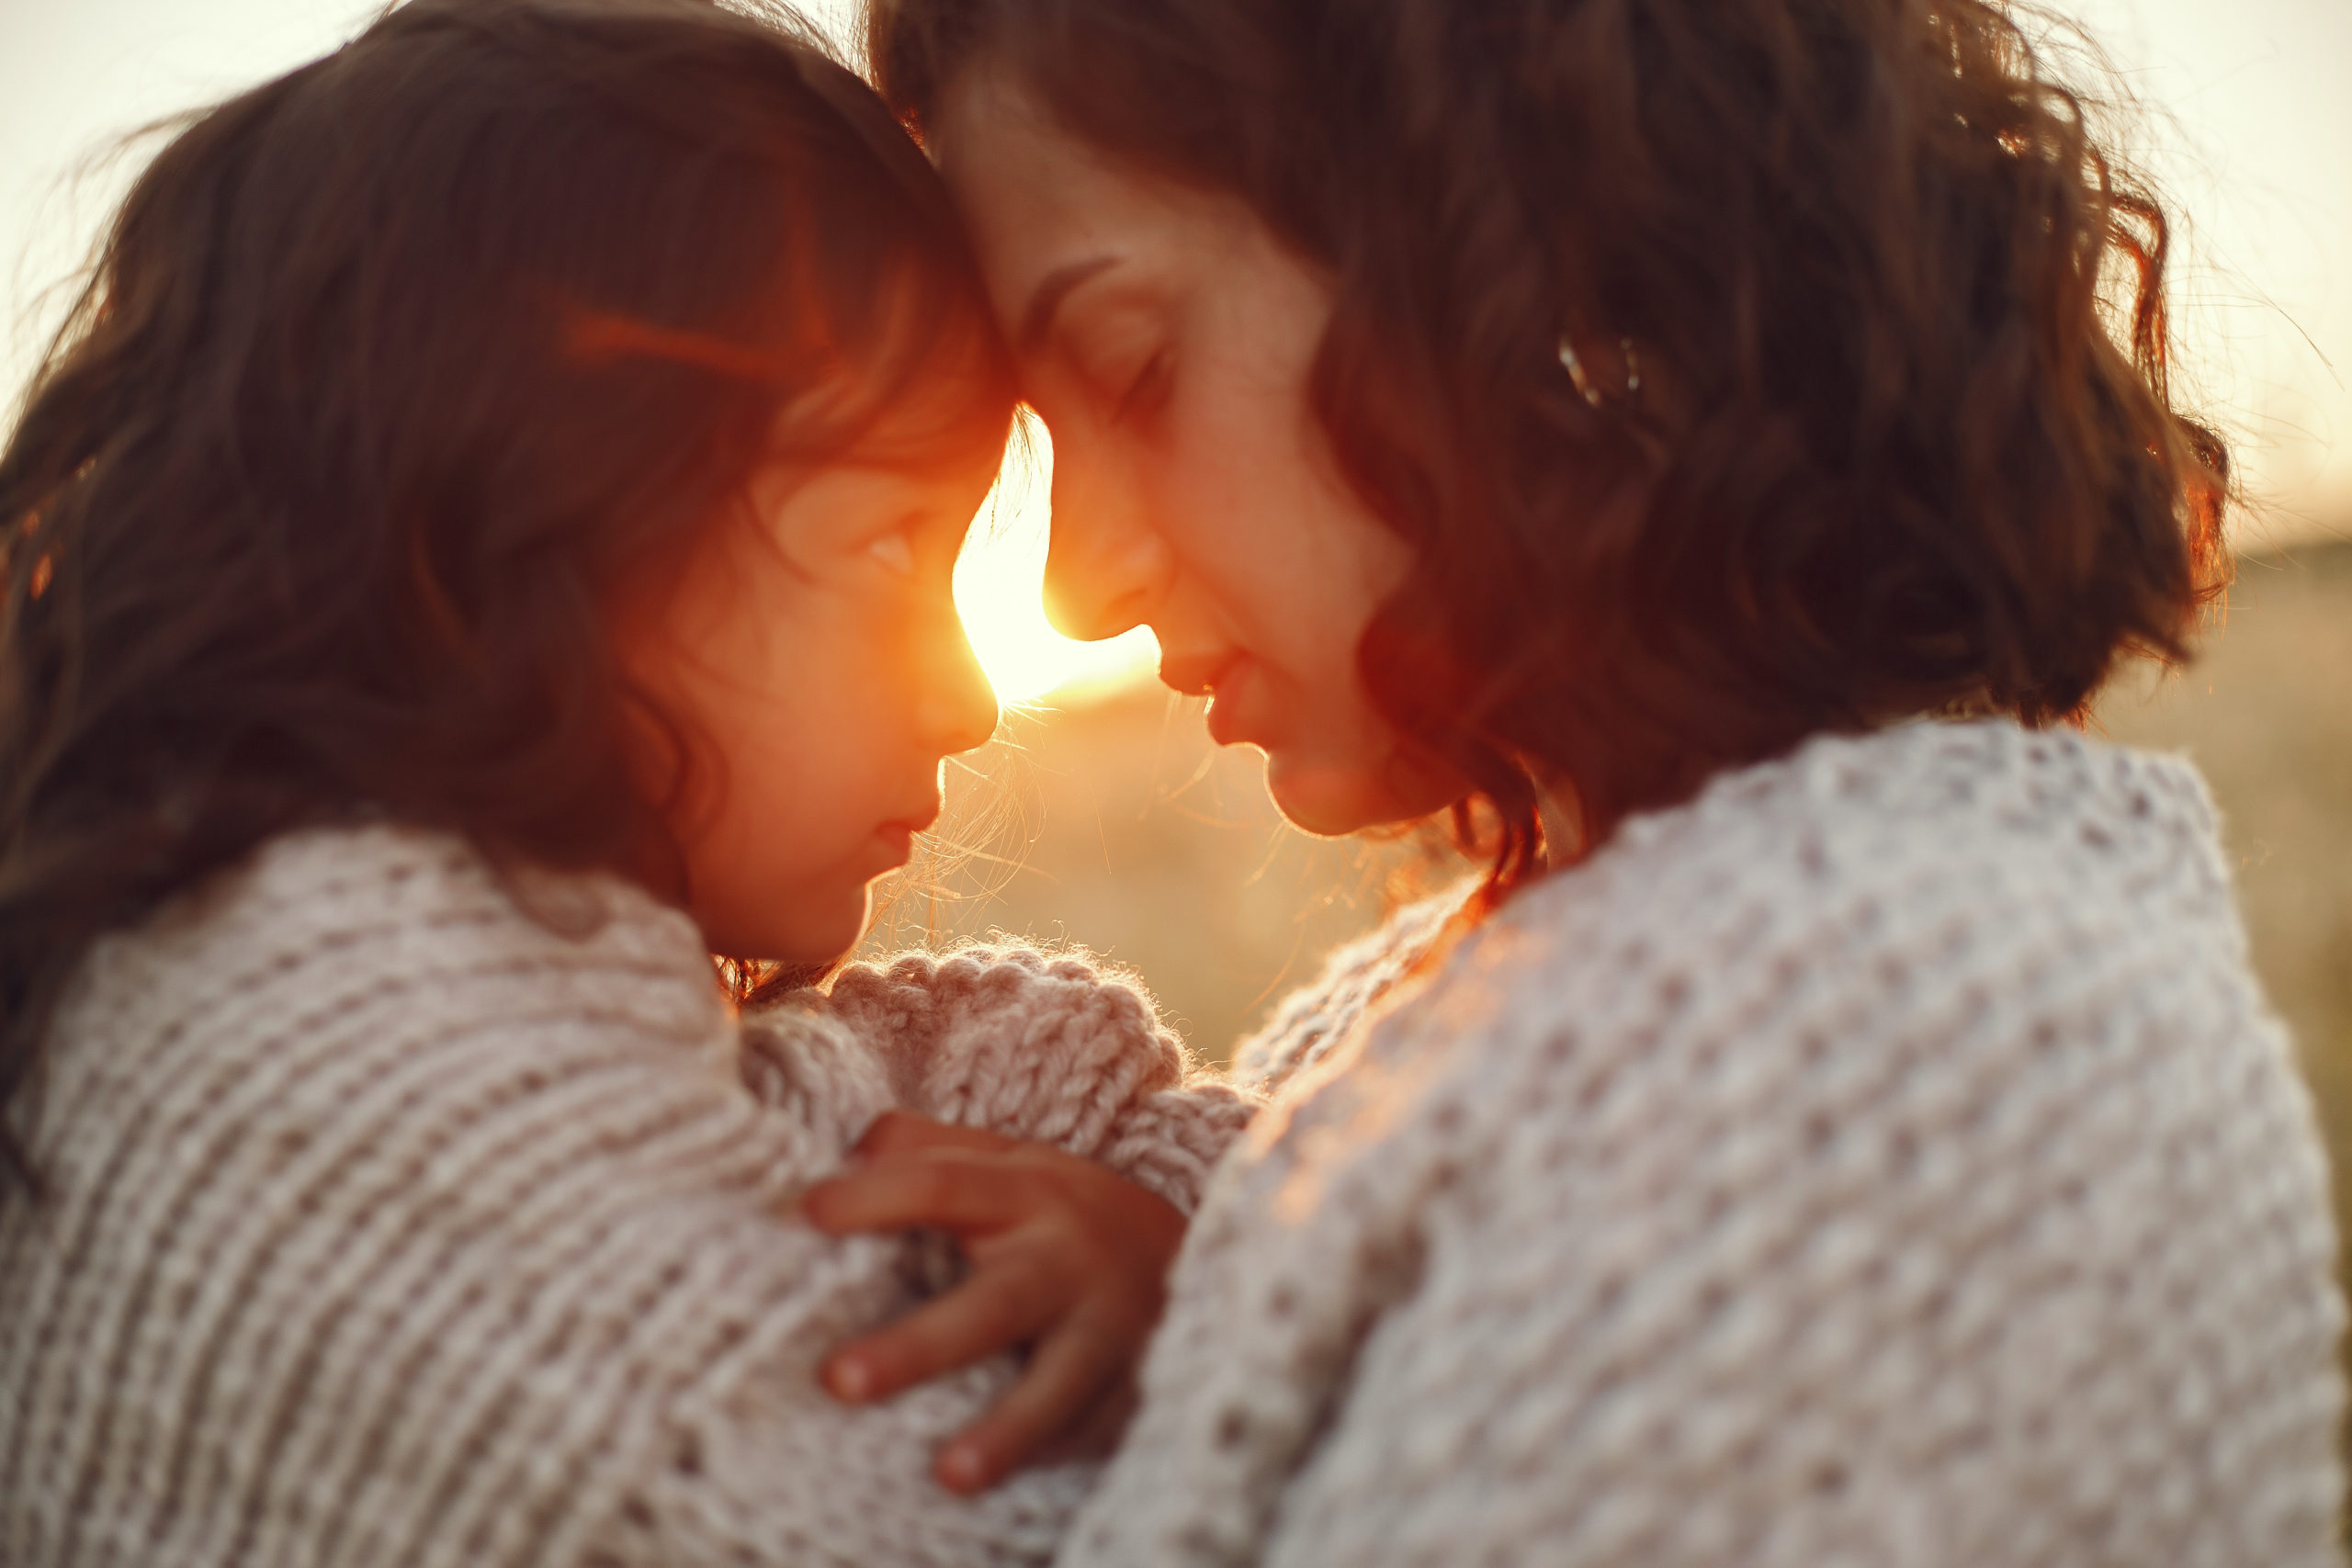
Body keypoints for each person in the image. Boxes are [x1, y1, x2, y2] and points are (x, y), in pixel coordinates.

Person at [823, 0, 2351, 1561]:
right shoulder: (1563, 968)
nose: (1075, 583)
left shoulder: (1868, 1057)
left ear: (1537, 240)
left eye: (1133, 371)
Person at [0, 2, 1248, 1562]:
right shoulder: (348, 1083)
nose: (969, 692)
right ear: (543, 509)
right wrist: (1213, 1331)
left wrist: (1175, 1251)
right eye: (886, 548)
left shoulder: (291, 946)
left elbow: (934, 1100)